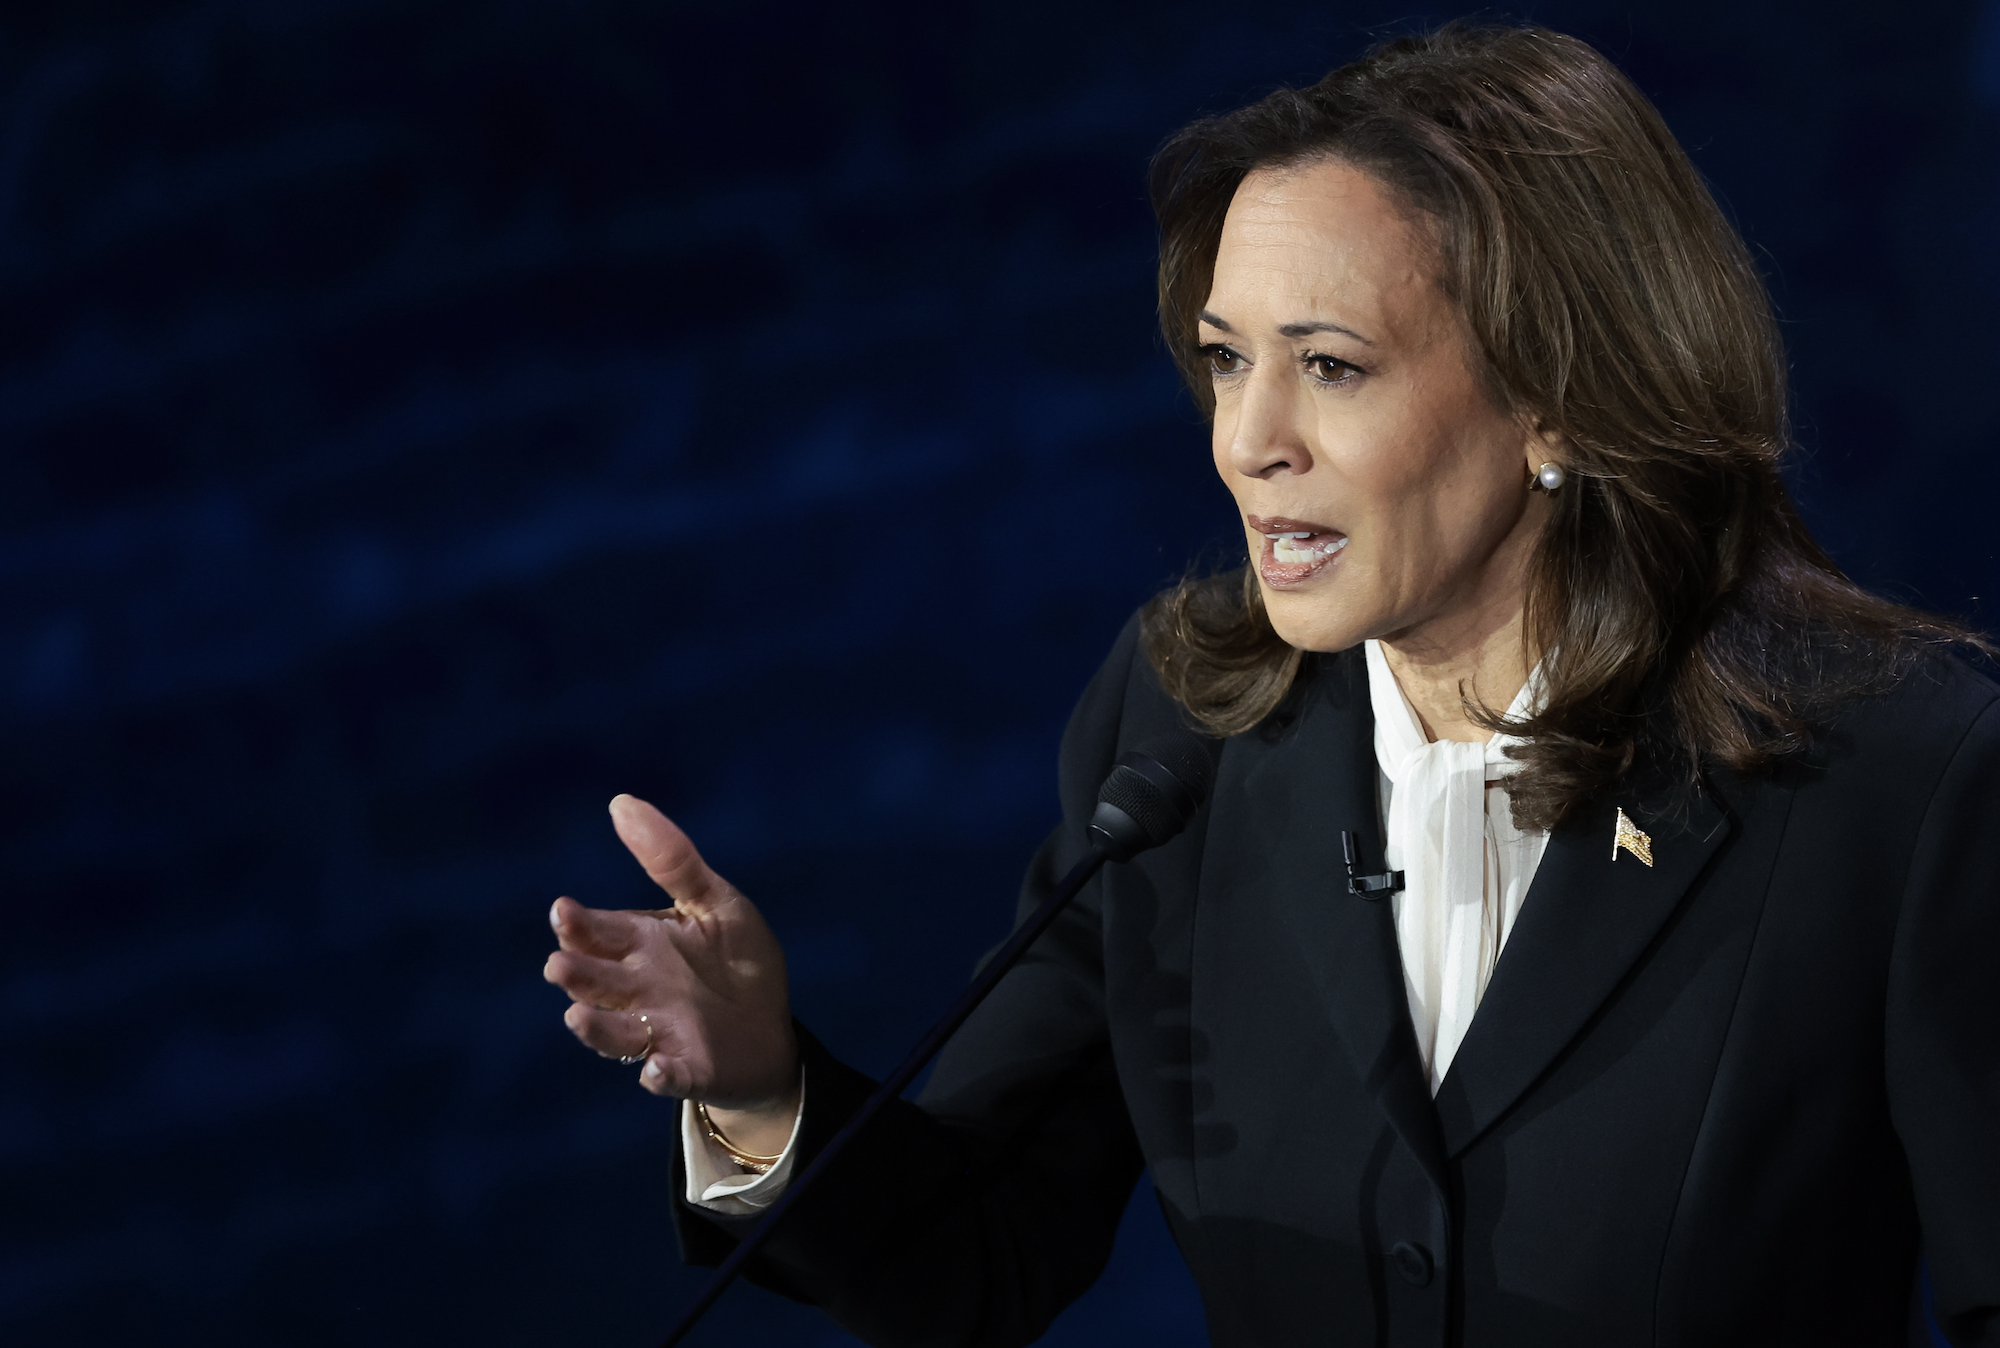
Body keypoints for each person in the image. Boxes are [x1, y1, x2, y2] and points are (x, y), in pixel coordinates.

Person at [542, 22, 2000, 1347]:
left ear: (1560, 390)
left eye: (1333, 367)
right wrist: (760, 1089)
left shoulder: (1896, 773)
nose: (1249, 439)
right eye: (1228, 361)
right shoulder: (1184, 726)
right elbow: (975, 1252)